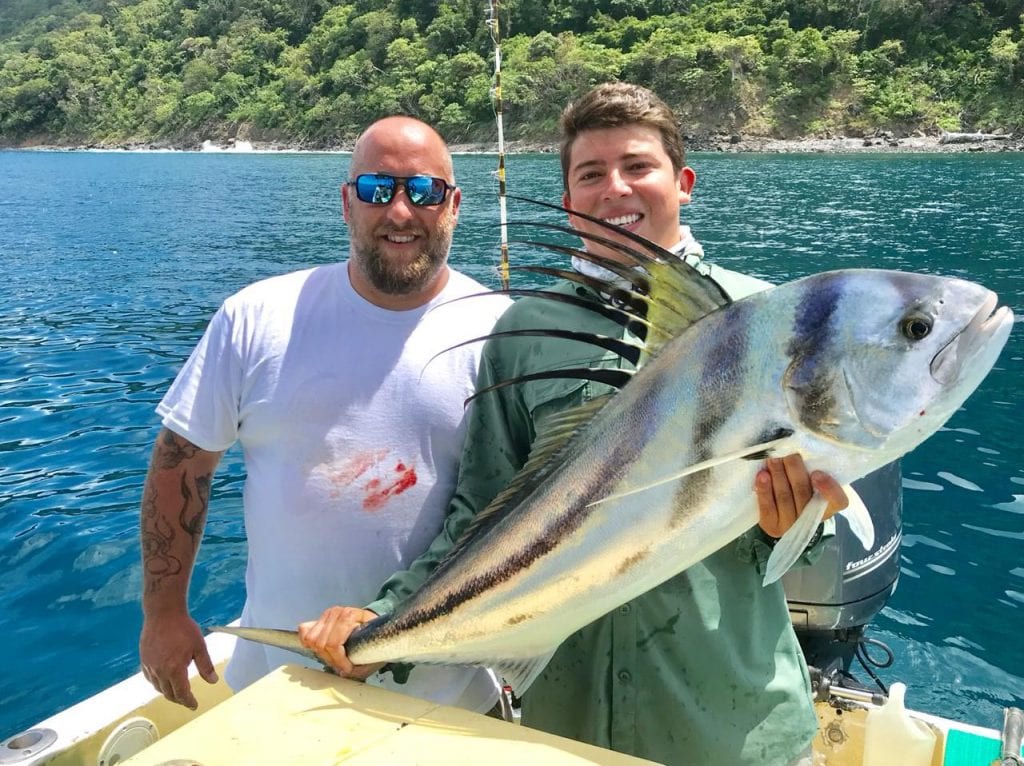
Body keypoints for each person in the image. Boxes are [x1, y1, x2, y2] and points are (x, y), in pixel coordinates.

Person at [298, 84, 849, 765]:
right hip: (567, 730)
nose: (615, 188)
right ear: (568, 202)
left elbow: (808, 537)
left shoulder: (766, 320)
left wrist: (795, 522)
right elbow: (484, 513)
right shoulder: (525, 334)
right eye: (591, 174)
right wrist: (382, 622)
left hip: (734, 726)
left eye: (637, 166)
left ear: (683, 183)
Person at [138, 115, 509, 714]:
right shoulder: (255, 318)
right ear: (345, 202)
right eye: (375, 189)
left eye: (423, 191)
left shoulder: (502, 333)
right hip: (280, 685)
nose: (399, 212)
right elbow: (182, 466)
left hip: (450, 691)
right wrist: (163, 613)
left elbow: (506, 510)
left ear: (454, 205)